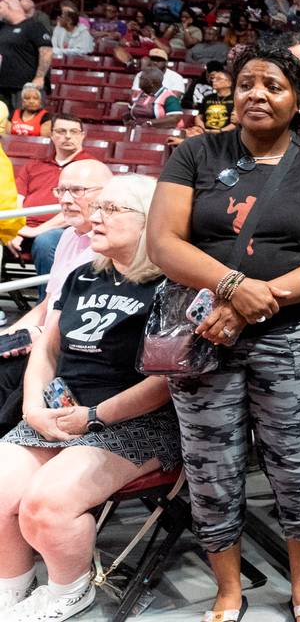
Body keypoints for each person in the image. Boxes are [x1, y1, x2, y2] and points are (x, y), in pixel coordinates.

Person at [148, 44, 300, 622]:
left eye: (273, 86)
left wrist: (256, 302)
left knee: (297, 462)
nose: (257, 94)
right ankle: (229, 591)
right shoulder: (194, 153)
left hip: (290, 341)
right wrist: (234, 286)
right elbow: (165, 245)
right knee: (212, 465)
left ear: (298, 99)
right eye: (246, 84)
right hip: (203, 333)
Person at [0, 174, 179, 621]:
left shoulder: (170, 285)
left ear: (148, 221)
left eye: (111, 210)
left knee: (47, 504)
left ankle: (69, 591)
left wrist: (94, 416)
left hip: (136, 421)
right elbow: (47, 348)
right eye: (97, 208)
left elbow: (164, 382)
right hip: (62, 411)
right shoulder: (84, 274)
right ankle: (13, 586)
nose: (93, 217)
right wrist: (32, 407)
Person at [0, 160, 112, 433]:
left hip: (68, 351)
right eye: (60, 191)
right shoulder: (68, 238)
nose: (65, 200)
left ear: (108, 192)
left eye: (77, 191)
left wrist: (41, 335)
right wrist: (7, 337)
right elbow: (46, 305)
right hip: (43, 339)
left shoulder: (112, 247)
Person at [11, 114, 94, 291]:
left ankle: (48, 306)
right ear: (52, 135)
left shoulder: (89, 167)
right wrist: (14, 228)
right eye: (61, 131)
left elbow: (78, 210)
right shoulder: (34, 165)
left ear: (82, 135)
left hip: (64, 230)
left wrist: (35, 231)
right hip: (25, 228)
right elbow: (16, 199)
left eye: (73, 131)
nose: (68, 136)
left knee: (46, 241)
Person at [0, 0, 52, 112]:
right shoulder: (3, 28)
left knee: (25, 123)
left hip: (26, 87)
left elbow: (46, 51)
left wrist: (40, 77)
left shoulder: (34, 26)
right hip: (3, 86)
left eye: (1, 8)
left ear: (11, 7)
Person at [196, 68, 235, 133]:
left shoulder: (235, 99)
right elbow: (199, 117)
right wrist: (202, 129)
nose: (214, 80)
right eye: (213, 78)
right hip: (206, 133)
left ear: (229, 83)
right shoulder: (207, 98)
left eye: (218, 79)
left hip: (227, 134)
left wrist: (219, 131)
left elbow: (237, 123)